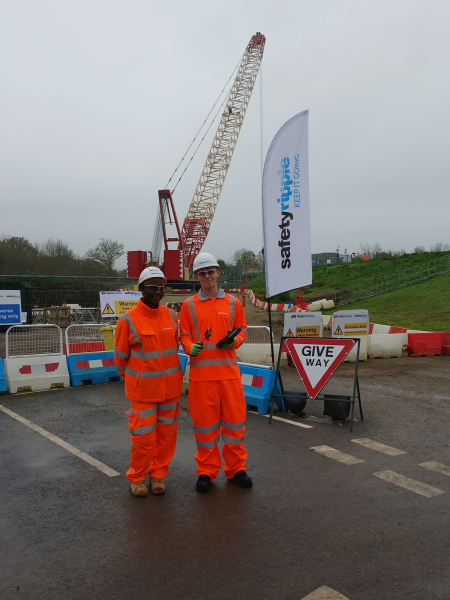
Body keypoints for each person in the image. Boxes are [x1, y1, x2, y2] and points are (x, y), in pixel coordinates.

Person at [179, 252, 252, 492]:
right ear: (196, 276)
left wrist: (236, 341)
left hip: (229, 376)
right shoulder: (188, 305)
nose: (207, 276)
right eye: (202, 273)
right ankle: (206, 472)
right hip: (201, 379)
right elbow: (184, 335)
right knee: (205, 428)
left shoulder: (233, 303)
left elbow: (242, 329)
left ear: (218, 273)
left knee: (234, 426)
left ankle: (236, 469)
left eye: (211, 271)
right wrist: (190, 346)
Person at [114, 267, 183, 497]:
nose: (158, 292)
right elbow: (121, 357)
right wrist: (135, 379)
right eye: (153, 287)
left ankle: (157, 475)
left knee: (166, 437)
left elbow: (174, 346)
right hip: (142, 392)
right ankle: (137, 477)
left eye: (162, 287)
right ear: (141, 289)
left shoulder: (171, 316)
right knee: (143, 439)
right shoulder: (128, 320)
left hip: (170, 391)